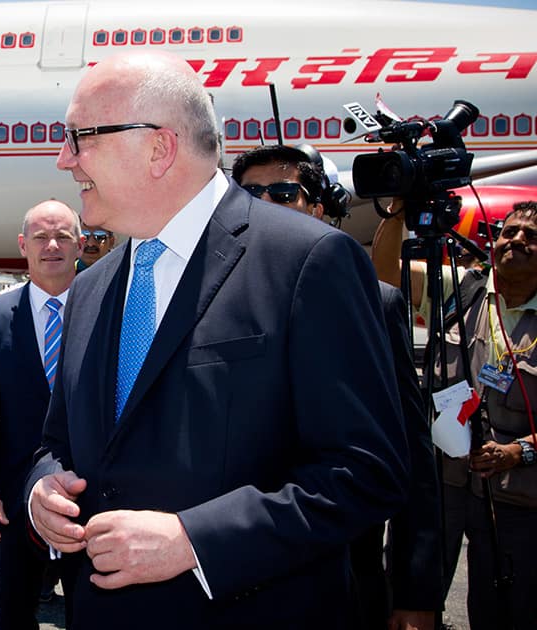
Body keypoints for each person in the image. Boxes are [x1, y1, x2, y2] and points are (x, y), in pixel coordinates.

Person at [25, 51, 409, 628]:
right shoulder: (90, 287)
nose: (64, 160)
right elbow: (57, 440)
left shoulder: (306, 261)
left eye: (80, 138)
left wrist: (193, 540)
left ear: (159, 147)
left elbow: (366, 470)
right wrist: (41, 491)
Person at [233, 144, 443, 630]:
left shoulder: (375, 301)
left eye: (283, 192)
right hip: (229, 574)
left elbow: (409, 451)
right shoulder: (200, 300)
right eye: (250, 193)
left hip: (338, 577)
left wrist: (415, 590)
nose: (264, 202)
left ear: (318, 208)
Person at [372, 199, 537, 630]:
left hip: (515, 497)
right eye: (509, 231)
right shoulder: (462, 289)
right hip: (443, 483)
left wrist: (520, 451)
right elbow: (385, 274)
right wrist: (396, 214)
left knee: (506, 610)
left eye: (531, 236)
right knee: (403, 602)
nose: (516, 240)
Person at [0, 199, 82, 630]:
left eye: (63, 236)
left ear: (80, 244)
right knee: (13, 613)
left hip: (92, 495)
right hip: (14, 501)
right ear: (23, 245)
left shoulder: (109, 308)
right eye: (41, 237)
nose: (52, 245)